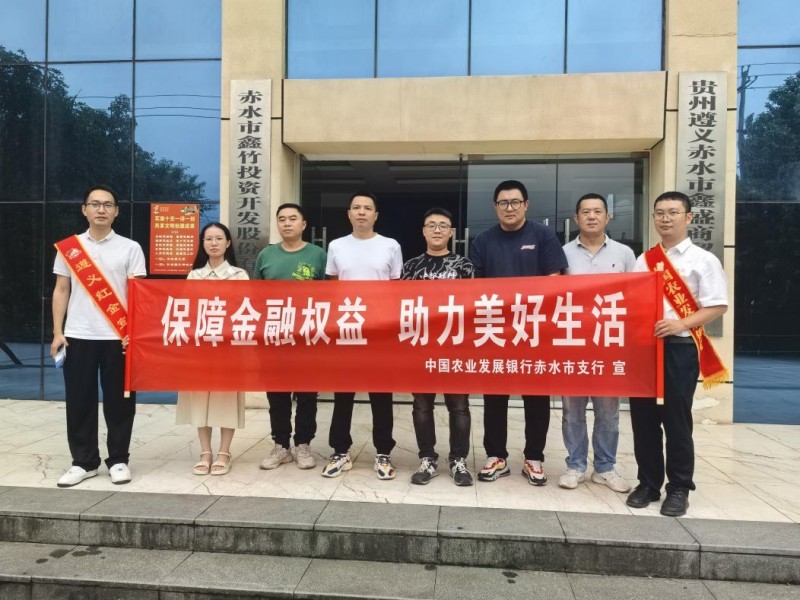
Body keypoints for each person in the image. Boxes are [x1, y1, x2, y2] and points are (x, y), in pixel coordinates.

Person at [626, 191, 728, 517]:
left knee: (676, 420)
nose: (665, 218)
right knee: (643, 419)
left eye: (673, 212)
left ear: (689, 217)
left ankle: (680, 487)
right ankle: (648, 484)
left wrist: (680, 323)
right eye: (659, 213)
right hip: (645, 349)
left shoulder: (703, 260)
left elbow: (717, 305)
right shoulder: (644, 260)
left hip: (680, 348)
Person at [470, 180, 568, 485]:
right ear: (495, 207)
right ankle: (495, 456)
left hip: (534, 330)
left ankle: (534, 458)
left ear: (526, 205)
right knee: (494, 397)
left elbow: (554, 279)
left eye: (515, 202)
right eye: (503, 203)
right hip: (495, 330)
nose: (509, 208)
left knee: (536, 397)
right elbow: (475, 287)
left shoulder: (543, 235)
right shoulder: (483, 240)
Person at [51, 185, 146, 487]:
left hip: (119, 337)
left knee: (120, 402)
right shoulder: (70, 248)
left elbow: (139, 296)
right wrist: (57, 332)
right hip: (77, 335)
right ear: (84, 210)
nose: (101, 209)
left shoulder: (130, 248)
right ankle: (84, 462)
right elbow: (61, 289)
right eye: (95, 204)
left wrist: (135, 332)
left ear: (116, 211)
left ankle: (118, 460)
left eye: (107, 204)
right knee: (79, 400)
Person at [322, 192, 403, 479]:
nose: (361, 212)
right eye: (356, 207)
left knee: (381, 395)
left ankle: (383, 453)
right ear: (348, 214)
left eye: (367, 208)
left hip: (379, 332)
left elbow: (396, 289)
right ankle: (340, 451)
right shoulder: (336, 246)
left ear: (376, 215)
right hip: (347, 330)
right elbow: (333, 287)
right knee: (343, 394)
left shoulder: (390, 245)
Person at [559, 193, 636, 493]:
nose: (591, 216)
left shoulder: (625, 254)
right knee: (572, 410)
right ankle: (575, 465)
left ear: (607, 217)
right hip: (572, 343)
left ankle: (605, 467)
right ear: (576, 218)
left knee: (608, 411)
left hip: (609, 345)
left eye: (597, 211)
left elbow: (636, 297)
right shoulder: (562, 253)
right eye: (585, 212)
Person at [402, 208, 475, 487]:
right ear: (423, 231)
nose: (437, 229)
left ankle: (458, 460)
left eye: (443, 225)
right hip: (420, 347)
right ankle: (427, 459)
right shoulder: (411, 267)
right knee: (422, 405)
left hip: (455, 347)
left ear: (451, 232)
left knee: (459, 406)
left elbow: (472, 307)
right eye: (431, 225)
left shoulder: (464, 266)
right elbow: (401, 307)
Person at [254, 203, 327, 471]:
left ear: (303, 224)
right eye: (282, 219)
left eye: (293, 218)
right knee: (277, 395)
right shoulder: (266, 255)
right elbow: (256, 297)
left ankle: (303, 444)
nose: (287, 223)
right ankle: (281, 445)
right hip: (275, 337)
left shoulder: (318, 255)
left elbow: (329, 297)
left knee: (307, 395)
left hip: (308, 337)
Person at [175, 222, 248, 476]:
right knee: (199, 398)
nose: (214, 243)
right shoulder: (194, 275)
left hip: (228, 348)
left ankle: (224, 452)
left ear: (228, 243)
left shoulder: (239, 275)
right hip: (200, 347)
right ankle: (205, 452)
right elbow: (187, 310)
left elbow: (244, 311)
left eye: (219, 238)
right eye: (208, 239)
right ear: (202, 244)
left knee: (226, 397)